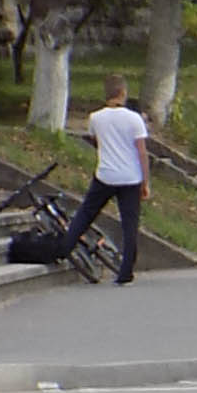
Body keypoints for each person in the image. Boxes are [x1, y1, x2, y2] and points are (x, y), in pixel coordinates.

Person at [57, 74, 148, 285]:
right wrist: (145, 182)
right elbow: (142, 152)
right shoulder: (134, 119)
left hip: (105, 174)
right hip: (130, 176)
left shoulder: (95, 118)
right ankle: (125, 272)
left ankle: (64, 248)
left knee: (87, 212)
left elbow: (97, 141)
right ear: (123, 93)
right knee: (129, 223)